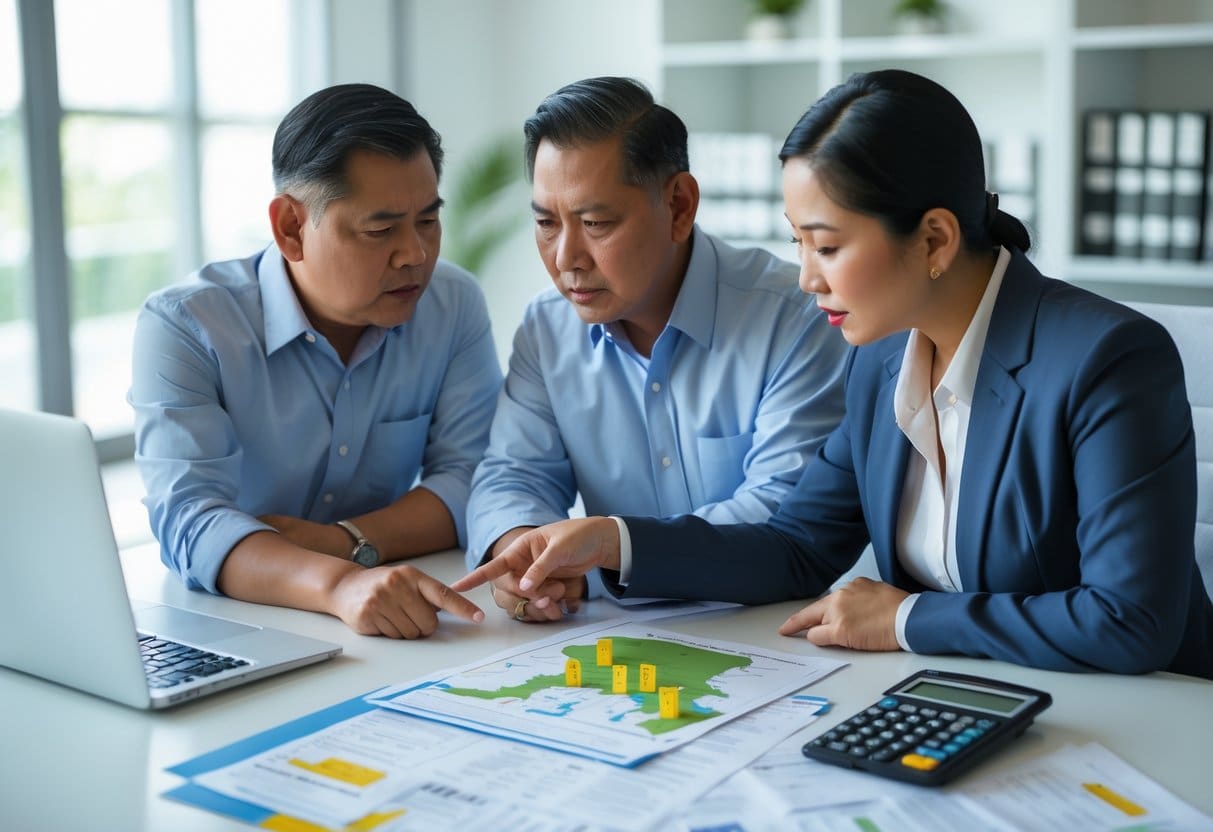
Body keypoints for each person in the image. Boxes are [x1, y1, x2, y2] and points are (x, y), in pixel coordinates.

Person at [454, 69, 1213, 678]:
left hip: (1143, 716)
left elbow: (1132, 622)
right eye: (797, 243)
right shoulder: (880, 360)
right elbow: (795, 546)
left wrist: (904, 619)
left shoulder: (1107, 358)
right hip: (972, 694)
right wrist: (613, 541)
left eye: (826, 245)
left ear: (935, 239)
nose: (806, 278)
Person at [465, 76, 848, 623]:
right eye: (546, 223)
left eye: (596, 223)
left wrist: (608, 552)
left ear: (679, 206)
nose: (566, 257)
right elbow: (511, 474)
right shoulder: (547, 329)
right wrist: (524, 552)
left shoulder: (795, 318)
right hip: (616, 644)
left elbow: (781, 518)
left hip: (772, 632)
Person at [130, 83, 502, 638]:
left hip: (390, 616)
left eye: (428, 220)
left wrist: (341, 542)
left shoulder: (452, 304)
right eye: (381, 230)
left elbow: (474, 478)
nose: (416, 255)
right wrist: (340, 583)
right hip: (240, 622)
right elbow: (189, 521)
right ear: (290, 228)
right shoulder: (186, 326)